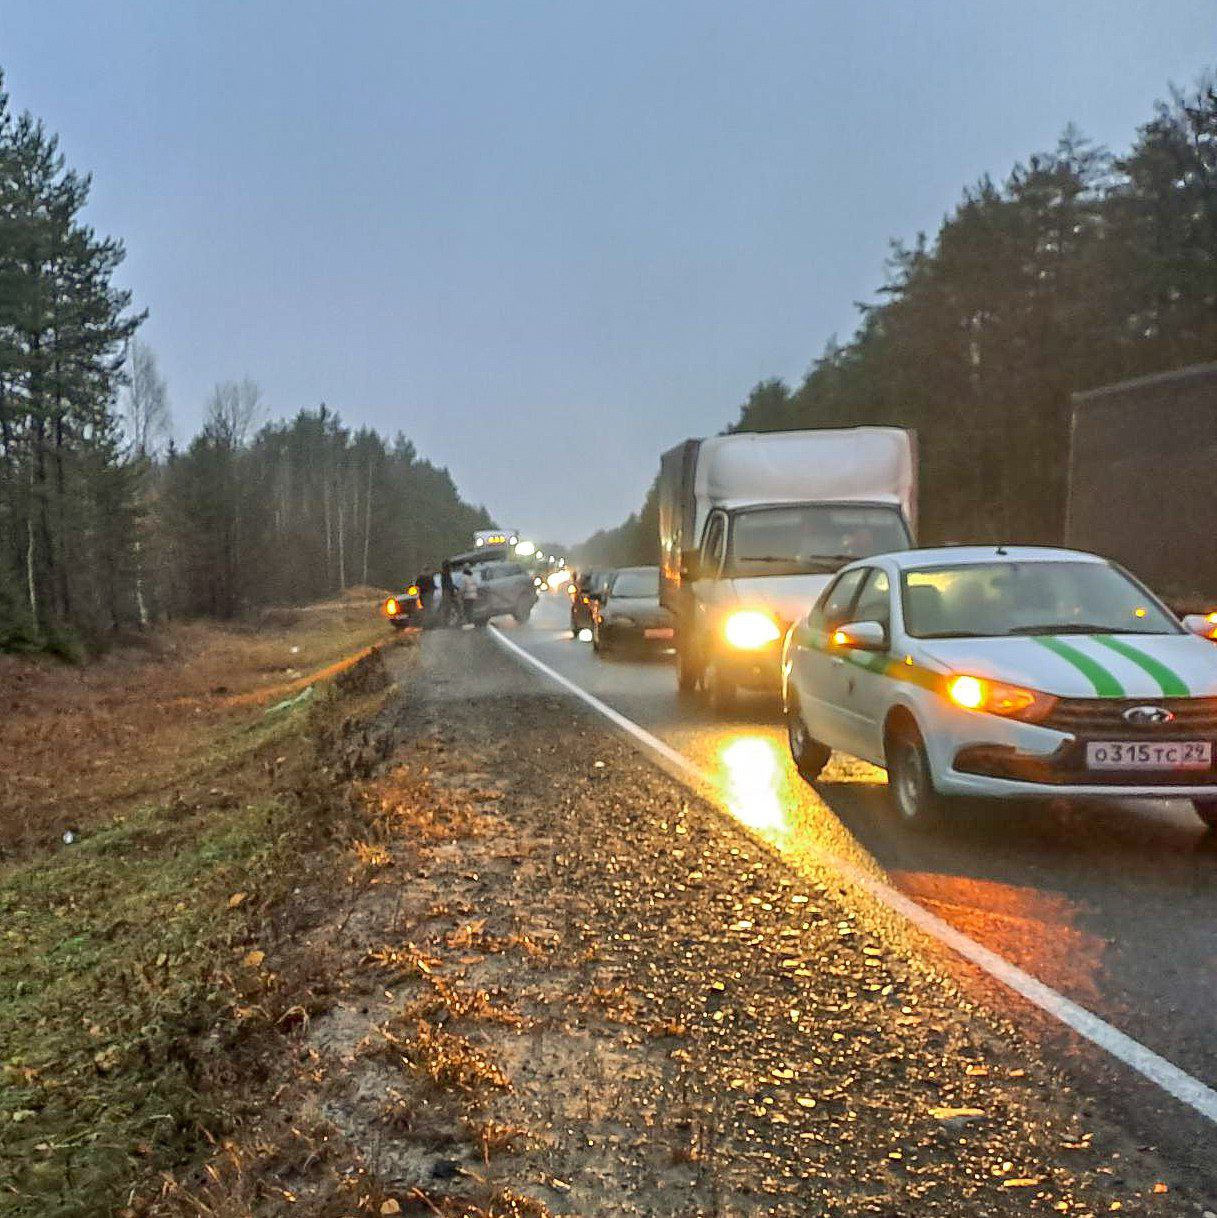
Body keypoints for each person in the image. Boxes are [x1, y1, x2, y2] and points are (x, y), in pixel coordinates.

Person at [440, 560, 457, 627]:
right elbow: (448, 584)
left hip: (447, 592)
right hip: (447, 592)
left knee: (447, 608)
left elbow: (448, 583)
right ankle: (445, 623)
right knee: (447, 608)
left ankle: (445, 622)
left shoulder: (444, 573)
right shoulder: (445, 573)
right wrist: (453, 588)